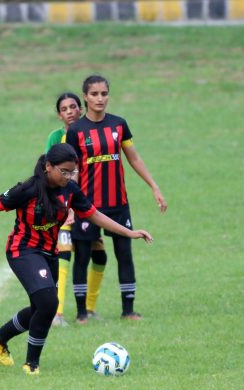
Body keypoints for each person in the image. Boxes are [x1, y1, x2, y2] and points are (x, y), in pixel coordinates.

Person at [0, 143, 152, 375]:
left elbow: (93, 215)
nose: (68, 176)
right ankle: (31, 363)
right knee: (49, 303)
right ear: (48, 166)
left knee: (40, 309)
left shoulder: (71, 190)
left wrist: (128, 232)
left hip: (49, 254)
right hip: (22, 250)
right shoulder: (27, 189)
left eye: (72, 171)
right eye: (64, 171)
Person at [63, 74, 167, 322]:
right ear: (85, 97)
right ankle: (81, 313)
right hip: (87, 205)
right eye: (95, 94)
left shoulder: (119, 125)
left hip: (118, 204)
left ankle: (128, 310)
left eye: (104, 93)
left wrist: (154, 186)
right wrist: (70, 204)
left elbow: (134, 158)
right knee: (83, 257)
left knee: (124, 254)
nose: (100, 98)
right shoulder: (76, 130)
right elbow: (72, 170)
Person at [45, 92, 108, 326]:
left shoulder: (88, 132)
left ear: (80, 109)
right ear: (59, 114)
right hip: (63, 205)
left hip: (86, 203)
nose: (70, 111)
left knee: (99, 255)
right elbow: (47, 169)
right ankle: (57, 313)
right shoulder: (55, 137)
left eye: (73, 107)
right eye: (65, 109)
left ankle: (90, 309)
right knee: (63, 254)